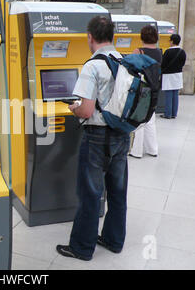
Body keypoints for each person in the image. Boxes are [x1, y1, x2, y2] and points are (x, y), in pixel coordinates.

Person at [56, 16, 131, 261]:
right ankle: (113, 240)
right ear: (112, 37)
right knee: (118, 192)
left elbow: (86, 110)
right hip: (121, 135)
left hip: (97, 137)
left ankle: (81, 247)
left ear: (90, 37)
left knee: (90, 192)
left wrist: (73, 108)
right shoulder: (124, 60)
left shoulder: (92, 66)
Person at [129, 25, 162, 159]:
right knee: (150, 118)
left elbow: (130, 68)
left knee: (138, 118)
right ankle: (152, 149)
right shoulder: (159, 52)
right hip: (154, 87)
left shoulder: (139, 51)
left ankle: (136, 151)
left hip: (142, 89)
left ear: (142, 37)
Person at [160, 34, 186, 119]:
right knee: (175, 95)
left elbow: (163, 64)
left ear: (171, 41)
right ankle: (174, 113)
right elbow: (182, 64)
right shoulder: (182, 52)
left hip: (168, 76)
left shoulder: (167, 52)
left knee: (168, 95)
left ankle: (167, 114)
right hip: (178, 75)